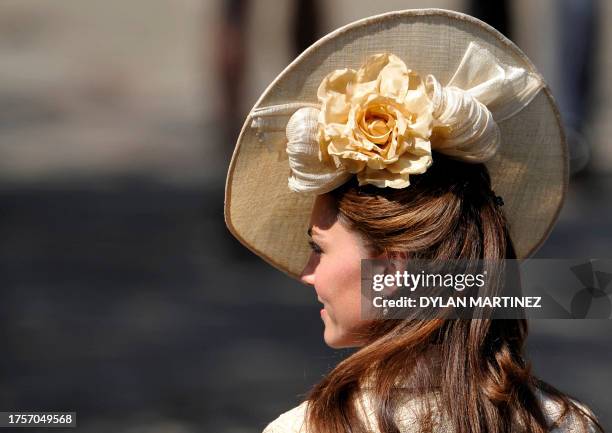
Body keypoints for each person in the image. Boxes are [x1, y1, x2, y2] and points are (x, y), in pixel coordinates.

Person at [224, 9, 604, 433]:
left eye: (318, 247)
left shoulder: (309, 428)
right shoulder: (565, 424)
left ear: (393, 266)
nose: (307, 274)